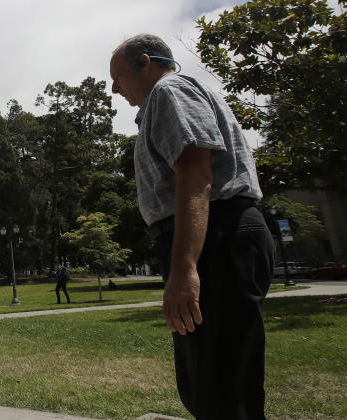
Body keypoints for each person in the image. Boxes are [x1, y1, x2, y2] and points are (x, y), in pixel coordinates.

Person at [110, 34, 272, 419]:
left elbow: (197, 175)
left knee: (221, 390)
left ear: (143, 63)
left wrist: (185, 268)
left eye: (117, 77)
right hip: (211, 238)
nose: (114, 89)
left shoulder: (170, 92)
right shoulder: (168, 97)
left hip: (216, 239)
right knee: (210, 381)